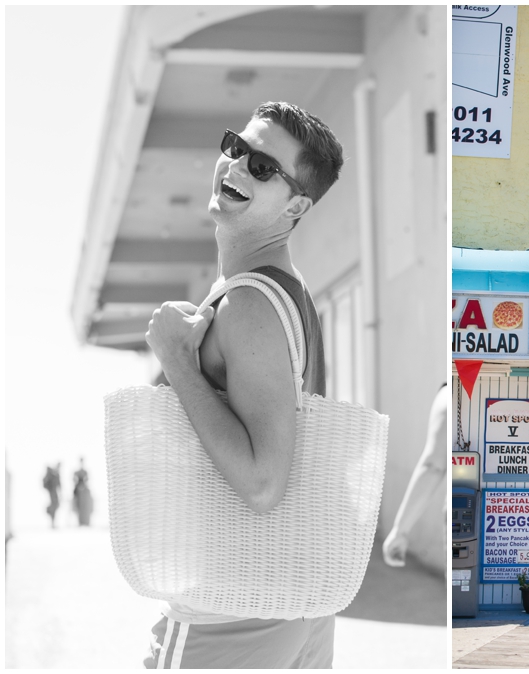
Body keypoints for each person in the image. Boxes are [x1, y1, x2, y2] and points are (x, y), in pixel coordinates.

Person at [143, 101, 343, 669]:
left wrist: (180, 361)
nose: (234, 166)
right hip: (292, 594)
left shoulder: (251, 302)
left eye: (262, 167)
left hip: (231, 605)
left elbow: (262, 483)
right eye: (236, 147)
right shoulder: (286, 293)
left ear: (297, 205)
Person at [382, 384, 447, 568]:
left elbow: (433, 466)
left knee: (465, 592)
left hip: (466, 519)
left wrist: (400, 530)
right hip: (522, 513)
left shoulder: (451, 393)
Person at [72, 458, 93, 527]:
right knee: (78, 506)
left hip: (84, 491)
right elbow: (74, 480)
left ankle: (86, 522)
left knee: (85, 506)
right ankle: (80, 522)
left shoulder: (85, 472)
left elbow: (87, 480)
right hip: (78, 491)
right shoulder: (76, 472)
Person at [42, 463, 61, 528]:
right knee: (54, 506)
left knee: (55, 505)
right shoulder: (52, 474)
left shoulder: (57, 474)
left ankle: (53, 522)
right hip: (52, 492)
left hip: (54, 492)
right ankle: (52, 522)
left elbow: (59, 484)